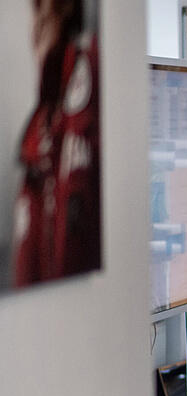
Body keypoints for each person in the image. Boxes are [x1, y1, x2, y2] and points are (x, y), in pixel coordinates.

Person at [12, 0, 100, 287]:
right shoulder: (40, 126)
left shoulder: (95, 79)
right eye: (35, 8)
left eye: (46, 7)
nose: (38, 22)